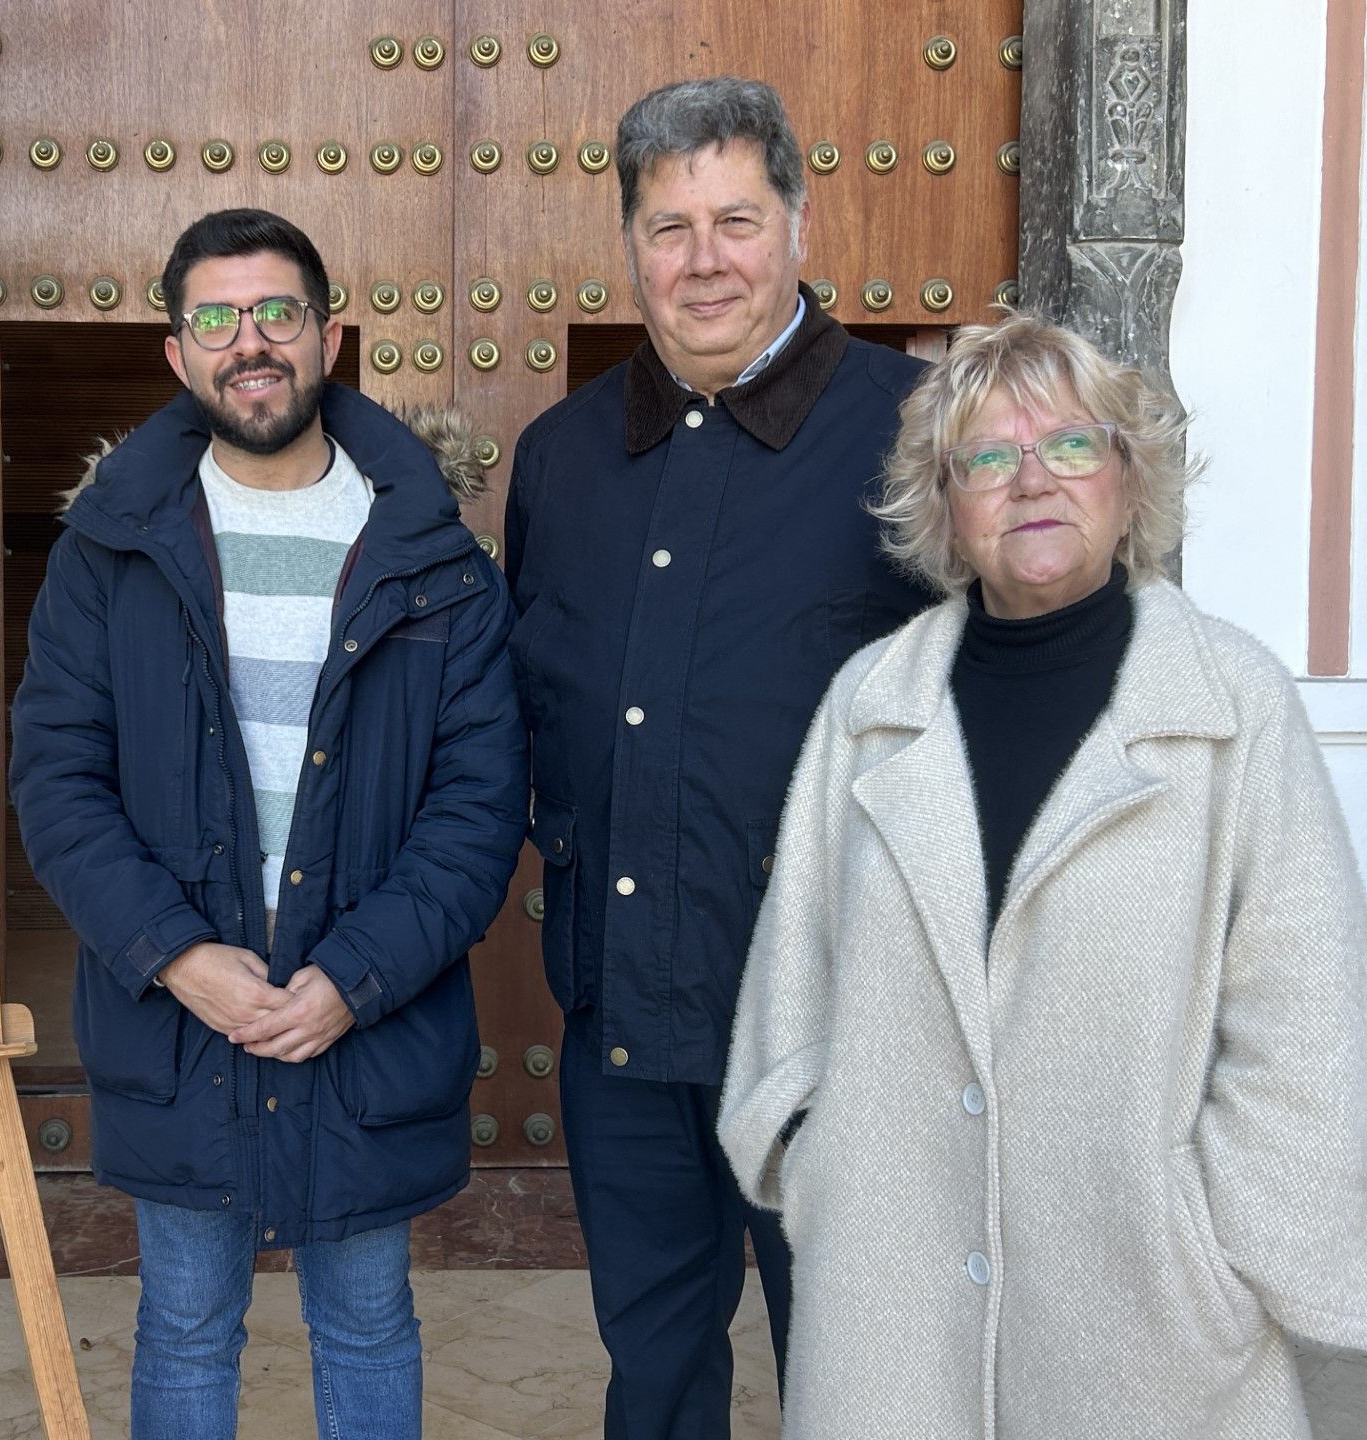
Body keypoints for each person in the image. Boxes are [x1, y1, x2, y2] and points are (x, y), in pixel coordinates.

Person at [719, 313, 1367, 1438]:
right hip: (894, 1303)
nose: (1031, 481)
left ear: (1128, 477)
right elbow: (795, 976)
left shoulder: (1235, 709)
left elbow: (1308, 1031)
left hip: (1155, 1329)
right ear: (946, 504)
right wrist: (818, 1162)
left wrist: (1213, 1248)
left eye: (1069, 446)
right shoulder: (872, 708)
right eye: (987, 456)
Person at [9, 208, 527, 1440]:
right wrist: (180, 960)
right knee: (185, 1331)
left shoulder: (435, 557)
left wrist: (354, 977)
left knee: (366, 1324)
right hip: (184, 1029)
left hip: (364, 1025)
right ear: (176, 353)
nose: (252, 342)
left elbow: (478, 805)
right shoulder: (109, 549)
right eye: (218, 319)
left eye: (279, 313)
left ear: (329, 335)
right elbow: (57, 780)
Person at [502, 75, 935, 1435]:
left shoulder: (919, 432)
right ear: (629, 245)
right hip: (624, 1019)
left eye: (737, 220)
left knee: (859, 1374)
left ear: (801, 226)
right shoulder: (563, 458)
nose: (704, 260)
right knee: (657, 1370)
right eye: (669, 226)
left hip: (843, 1029)